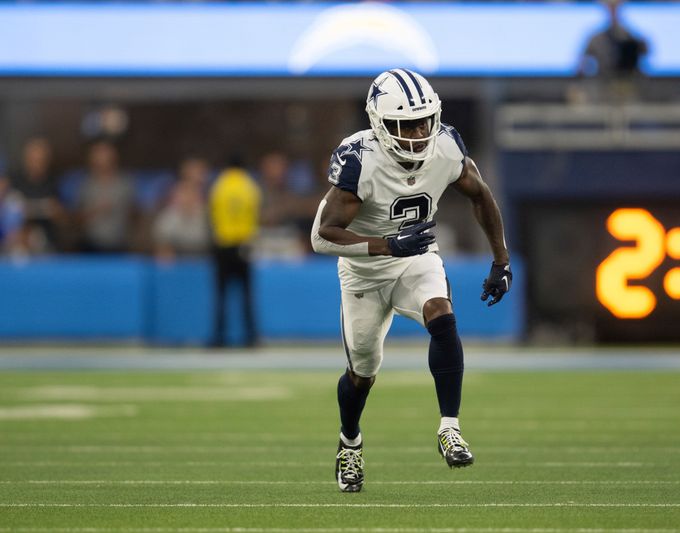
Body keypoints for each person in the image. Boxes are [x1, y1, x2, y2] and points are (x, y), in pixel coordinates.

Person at [310, 69, 512, 492]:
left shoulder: (445, 147)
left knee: (442, 315)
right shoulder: (360, 160)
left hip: (416, 260)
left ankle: (450, 428)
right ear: (380, 124)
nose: (419, 134)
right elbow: (321, 236)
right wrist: (386, 245)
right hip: (364, 271)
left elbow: (481, 194)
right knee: (362, 373)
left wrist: (501, 260)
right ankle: (350, 442)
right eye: (406, 124)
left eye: (424, 121)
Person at [208, 160, 262, 348]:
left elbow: (212, 212)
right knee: (247, 295)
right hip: (243, 245)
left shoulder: (219, 185)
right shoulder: (249, 185)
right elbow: (255, 213)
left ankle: (218, 336)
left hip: (223, 244)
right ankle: (251, 336)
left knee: (221, 295)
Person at [578, 0, 649, 80]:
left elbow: (645, 52)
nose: (613, 10)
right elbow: (583, 63)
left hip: (629, 82)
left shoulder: (632, 37)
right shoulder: (596, 39)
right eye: (610, 7)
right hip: (603, 82)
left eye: (615, 7)